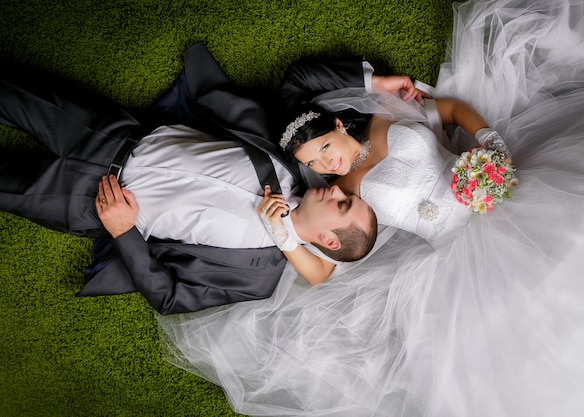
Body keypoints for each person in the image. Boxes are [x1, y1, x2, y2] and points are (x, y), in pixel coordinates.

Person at [157, 1, 584, 416]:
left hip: (504, 190)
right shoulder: (350, 194)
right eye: (313, 163)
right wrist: (285, 237)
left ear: (338, 123)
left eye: (322, 148)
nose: (325, 164)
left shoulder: (388, 117)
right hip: (460, 254)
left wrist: (492, 146)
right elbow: (321, 274)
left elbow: (454, 111)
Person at [0, 44, 378, 315]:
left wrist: (122, 232)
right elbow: (298, 84)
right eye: (347, 195)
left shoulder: (256, 279)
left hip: (84, 201)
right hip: (107, 134)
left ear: (328, 239)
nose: (337, 191)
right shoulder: (295, 161)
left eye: (343, 204)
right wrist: (379, 83)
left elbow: (169, 298)